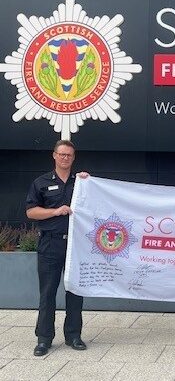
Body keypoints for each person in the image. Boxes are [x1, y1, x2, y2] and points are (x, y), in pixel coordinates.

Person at [26, 140, 88, 356]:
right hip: (50, 243)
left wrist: (89, 183)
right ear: (54, 156)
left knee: (75, 292)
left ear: (74, 157)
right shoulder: (41, 182)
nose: (65, 158)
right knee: (48, 293)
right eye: (61, 154)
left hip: (75, 244)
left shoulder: (81, 182)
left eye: (69, 155)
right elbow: (31, 212)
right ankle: (44, 338)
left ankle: (73, 336)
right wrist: (55, 212)